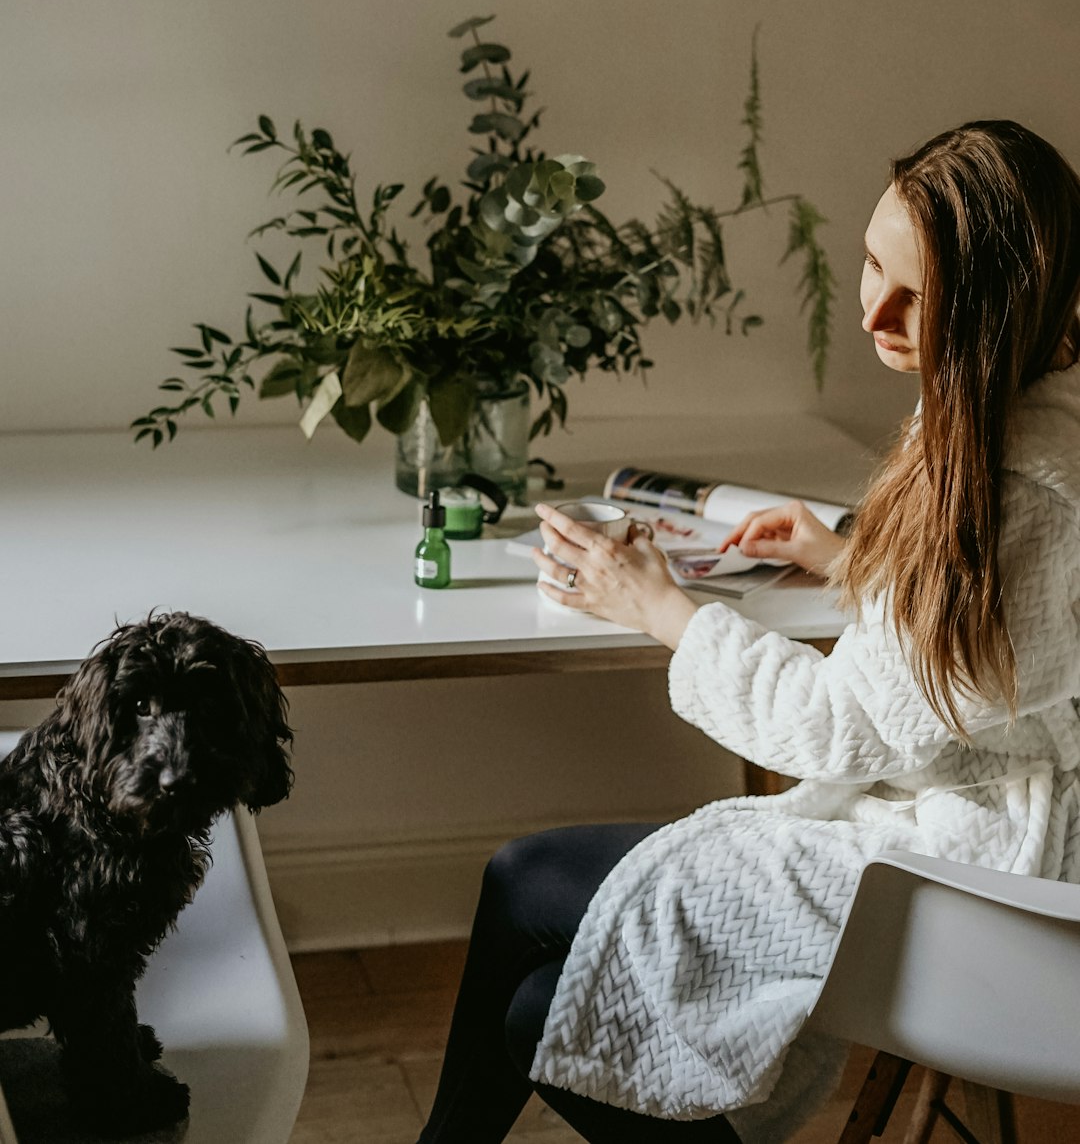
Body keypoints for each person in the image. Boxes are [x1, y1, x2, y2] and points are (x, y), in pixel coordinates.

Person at [416, 120, 1080, 1144]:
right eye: (870, 264)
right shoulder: (1028, 415)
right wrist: (856, 556)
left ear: (999, 307)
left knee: (535, 965)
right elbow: (998, 646)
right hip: (945, 833)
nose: (874, 309)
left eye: (916, 293)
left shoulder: (1018, 483)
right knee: (535, 972)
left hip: (978, 891)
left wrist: (664, 610)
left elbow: (836, 726)